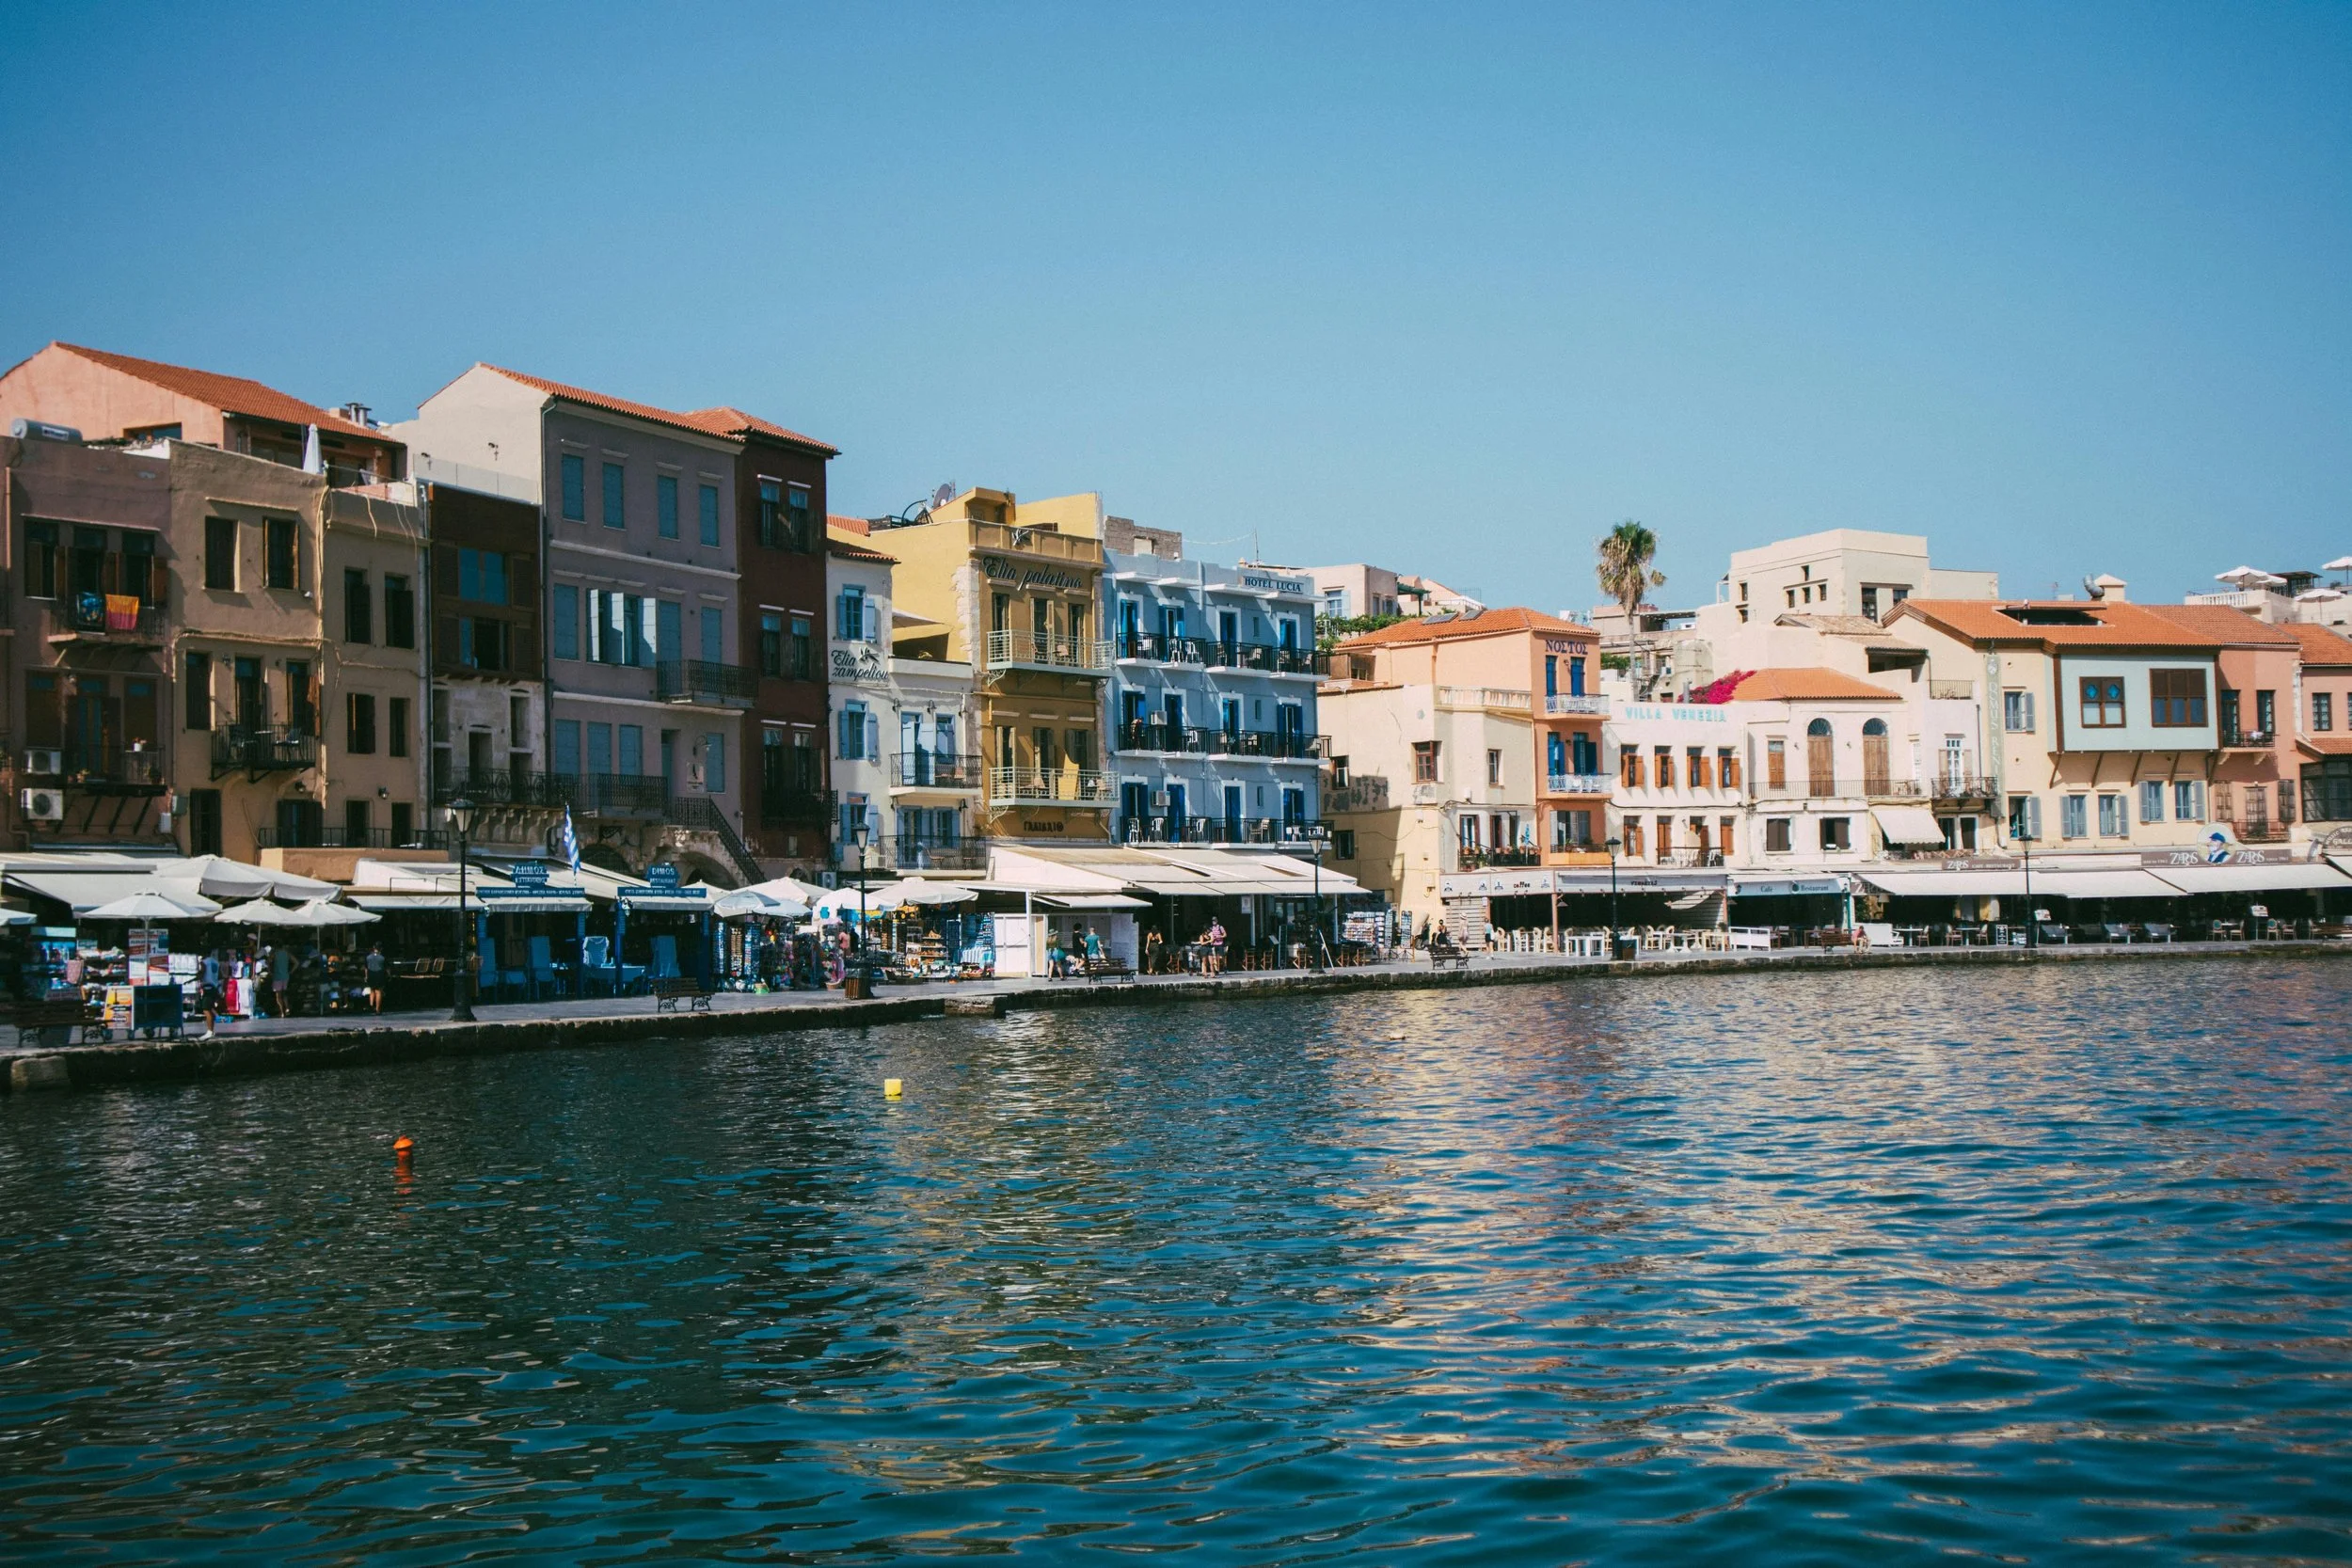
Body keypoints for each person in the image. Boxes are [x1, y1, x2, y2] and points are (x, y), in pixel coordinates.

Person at [267, 942, 293, 1018]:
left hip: (277, 976)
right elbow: (296, 962)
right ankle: (287, 1008)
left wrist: (269, 971)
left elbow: (268, 961)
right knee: (284, 993)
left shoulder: (275, 954)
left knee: (278, 996)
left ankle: (281, 1012)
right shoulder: (287, 953)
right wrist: (291, 971)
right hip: (286, 976)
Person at [364, 942, 387, 1013]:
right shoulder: (382, 957)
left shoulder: (368, 957)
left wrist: (366, 976)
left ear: (374, 948)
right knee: (378, 991)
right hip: (379, 974)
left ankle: (371, 1006)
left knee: (372, 990)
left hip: (371, 974)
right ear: (381, 949)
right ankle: (377, 1009)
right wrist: (389, 975)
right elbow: (386, 968)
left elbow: (366, 968)